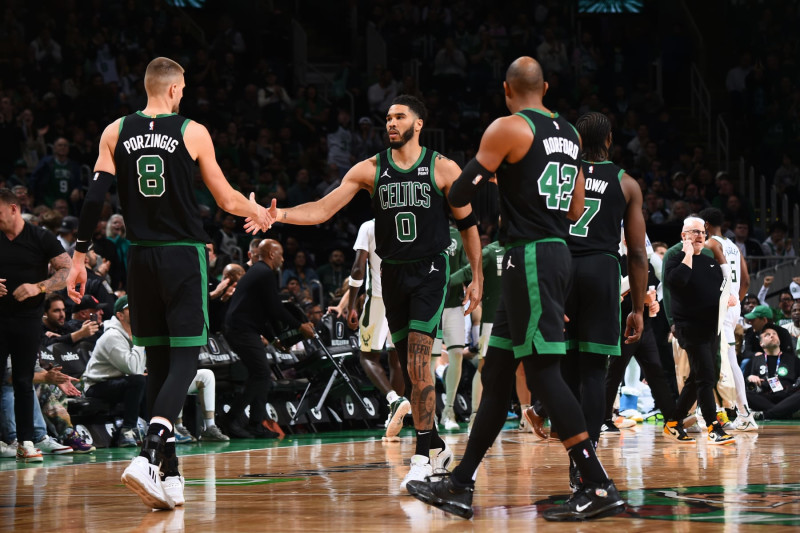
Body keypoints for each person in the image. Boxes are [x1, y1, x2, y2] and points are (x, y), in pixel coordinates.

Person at [406, 57, 629, 523]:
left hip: (528, 255)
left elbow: (458, 194)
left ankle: (598, 483)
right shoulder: (570, 133)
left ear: (507, 91)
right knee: (499, 371)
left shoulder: (507, 128)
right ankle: (461, 482)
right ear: (545, 87)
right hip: (551, 251)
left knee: (545, 373)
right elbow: (575, 209)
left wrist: (489, 177)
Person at [65, 57, 272, 511]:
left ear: (148, 87)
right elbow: (223, 198)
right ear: (176, 90)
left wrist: (79, 257)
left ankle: (170, 472)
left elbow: (94, 197)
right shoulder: (192, 131)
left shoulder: (115, 130)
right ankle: (152, 445)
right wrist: (255, 211)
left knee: (157, 361)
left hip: (140, 258)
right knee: (185, 357)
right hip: (182, 253)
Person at [264, 94, 483, 489]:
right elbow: (323, 208)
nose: (391, 123)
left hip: (431, 272)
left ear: (419, 124)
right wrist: (277, 215)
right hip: (392, 276)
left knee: (419, 365)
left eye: (400, 117)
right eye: (388, 118)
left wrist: (477, 276)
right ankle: (436, 446)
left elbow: (468, 225)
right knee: (409, 368)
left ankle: (421, 458)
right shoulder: (370, 170)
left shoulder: (442, 167)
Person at [560, 111, 647, 488]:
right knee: (595, 372)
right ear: (609, 140)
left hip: (560, 268)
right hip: (601, 271)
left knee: (563, 369)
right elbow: (639, 254)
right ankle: (587, 455)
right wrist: (638, 308)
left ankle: (570, 448)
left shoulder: (562, 177)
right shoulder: (627, 184)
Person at [0, 187, 72, 462]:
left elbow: (66, 272)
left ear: (14, 209)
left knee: (23, 379)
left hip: (28, 319)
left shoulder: (40, 237)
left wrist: (38, 287)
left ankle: (26, 442)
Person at [224, 239, 314, 438]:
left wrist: (274, 339)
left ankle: (256, 423)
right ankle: (231, 419)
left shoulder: (259, 272)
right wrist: (300, 326)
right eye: (280, 254)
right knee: (261, 373)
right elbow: (275, 309)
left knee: (261, 375)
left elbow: (263, 311)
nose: (283, 258)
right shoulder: (264, 273)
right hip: (240, 330)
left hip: (245, 329)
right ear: (272, 254)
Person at [664, 217, 735, 445]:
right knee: (706, 377)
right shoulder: (675, 260)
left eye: (702, 232)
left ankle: (674, 422)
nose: (700, 236)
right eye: (694, 232)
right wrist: (687, 254)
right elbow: (679, 281)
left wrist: (728, 299)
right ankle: (714, 427)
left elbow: (717, 291)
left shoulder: (710, 261)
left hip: (711, 327)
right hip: (689, 328)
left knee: (697, 378)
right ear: (683, 236)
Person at [345, 219, 408, 440]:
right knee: (397, 359)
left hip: (379, 299)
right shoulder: (406, 223)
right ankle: (394, 416)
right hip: (404, 299)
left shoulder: (369, 226)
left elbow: (358, 268)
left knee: (367, 357)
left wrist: (351, 304)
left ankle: (394, 399)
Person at [701, 207, 757, 431]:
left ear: (705, 225)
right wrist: (737, 300)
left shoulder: (710, 245)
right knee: (723, 359)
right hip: (733, 306)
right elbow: (746, 280)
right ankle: (731, 410)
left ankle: (743, 412)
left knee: (725, 360)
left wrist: (725, 301)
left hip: (721, 307)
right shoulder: (734, 246)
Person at [82, 295, 147, 448]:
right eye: (131, 309)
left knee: (148, 379)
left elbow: (139, 368)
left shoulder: (129, 334)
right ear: (120, 315)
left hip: (117, 381)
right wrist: (140, 339)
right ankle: (127, 430)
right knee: (138, 381)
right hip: (96, 386)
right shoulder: (112, 336)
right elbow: (132, 368)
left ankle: (151, 426)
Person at [440, 221, 470, 431]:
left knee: (457, 353)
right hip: (429, 304)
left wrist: (454, 280)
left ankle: (448, 410)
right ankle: (429, 413)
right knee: (428, 360)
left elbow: (470, 266)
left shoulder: (457, 236)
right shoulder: (424, 230)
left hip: (453, 304)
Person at [745, 325, 800, 420]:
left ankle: (766, 415)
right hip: (764, 397)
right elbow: (744, 381)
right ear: (761, 343)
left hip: (787, 396)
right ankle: (784, 412)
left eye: (774, 334)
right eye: (767, 335)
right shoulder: (755, 360)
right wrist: (750, 377)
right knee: (744, 393)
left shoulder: (793, 359)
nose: (772, 336)